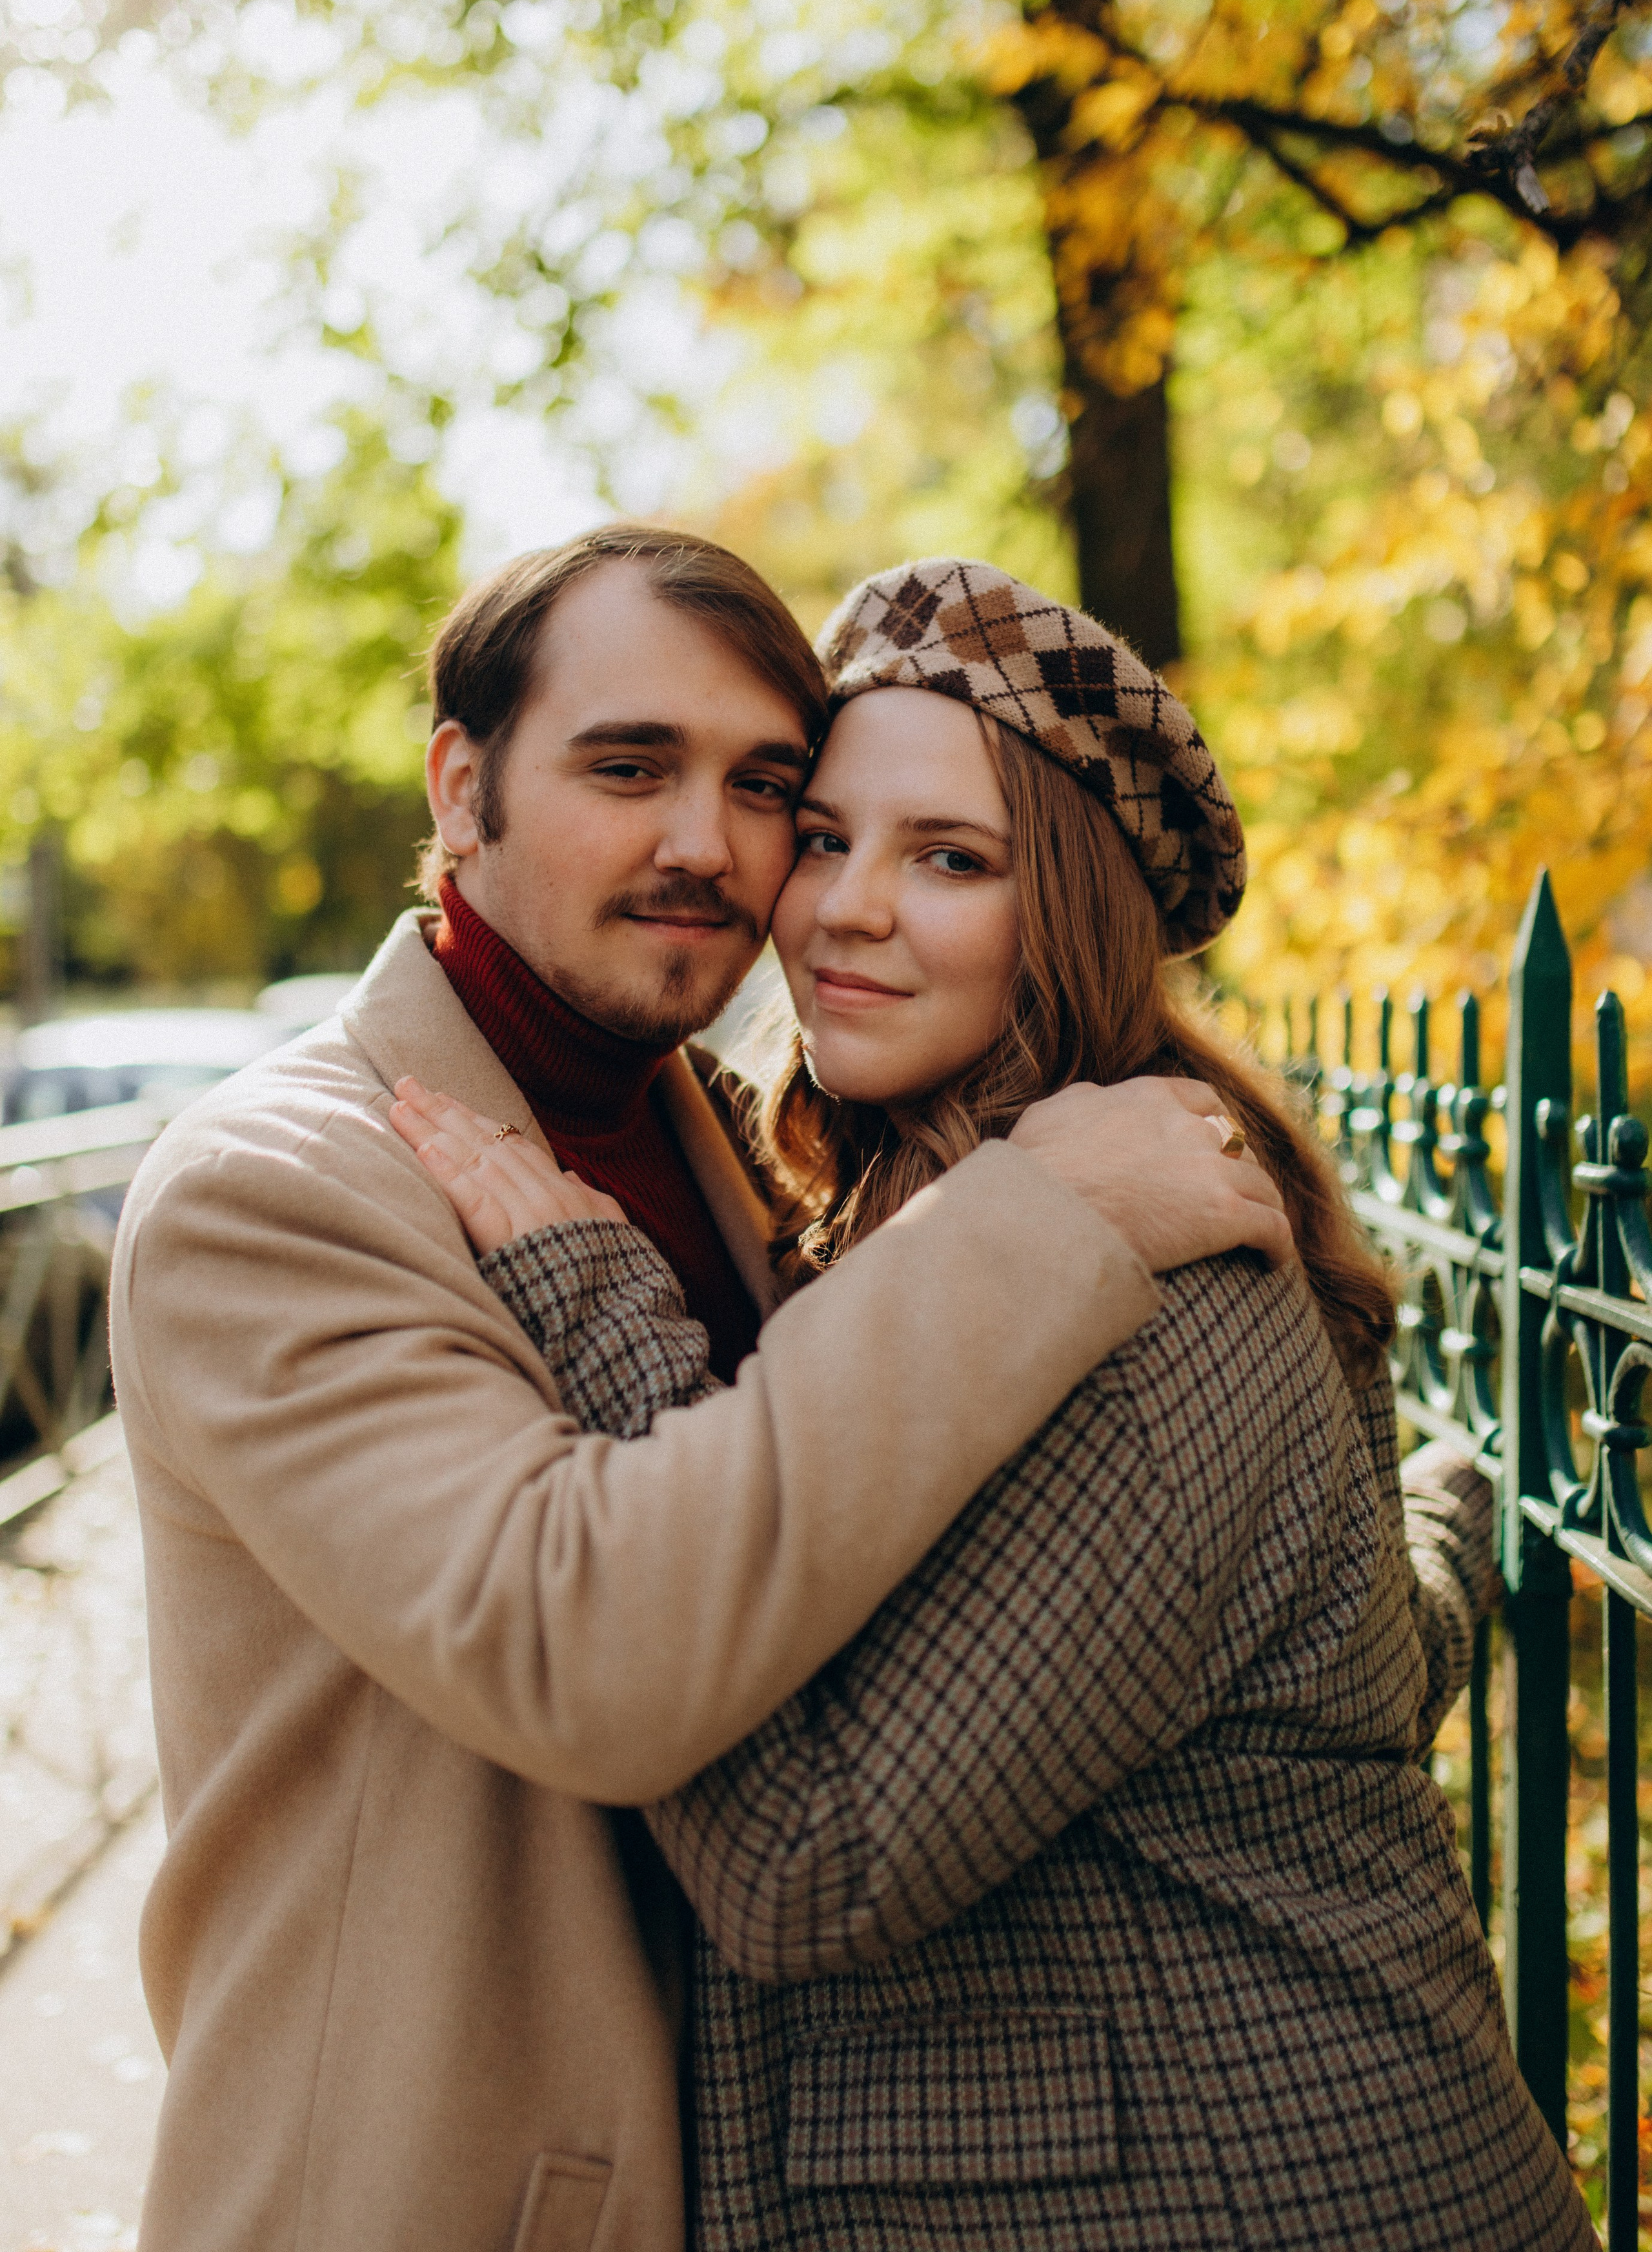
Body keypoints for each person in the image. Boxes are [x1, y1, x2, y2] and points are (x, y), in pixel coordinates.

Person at [108, 527, 1298, 2252]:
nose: (704, 845)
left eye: (763, 787)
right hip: (429, 2193)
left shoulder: (727, 1143)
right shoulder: (279, 1190)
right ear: (464, 786)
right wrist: (1047, 1219)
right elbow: (581, 1639)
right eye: (627, 766)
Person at [396, 558, 1576, 2251]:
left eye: (950, 859)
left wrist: (602, 1309)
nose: (841, 908)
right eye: (824, 835)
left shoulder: (1167, 1302)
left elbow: (809, 1858)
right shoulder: (918, 1215)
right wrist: (1431, 1543)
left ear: (1070, 916)